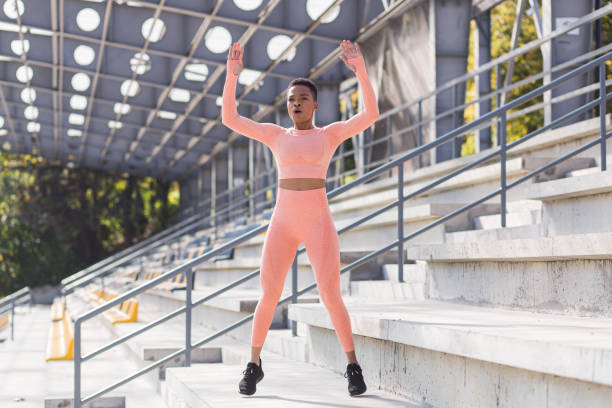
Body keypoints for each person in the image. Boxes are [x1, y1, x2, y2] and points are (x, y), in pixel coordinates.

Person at [222, 39, 379, 397]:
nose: (295, 104)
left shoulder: (329, 134)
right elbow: (230, 118)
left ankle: (352, 366)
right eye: (291, 99)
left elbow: (370, 115)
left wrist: (361, 72)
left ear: (315, 105)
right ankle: (254, 364)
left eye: (302, 99)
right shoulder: (276, 135)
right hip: (283, 223)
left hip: (318, 222)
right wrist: (232, 76)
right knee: (269, 294)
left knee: (330, 295)